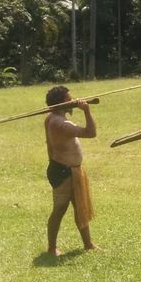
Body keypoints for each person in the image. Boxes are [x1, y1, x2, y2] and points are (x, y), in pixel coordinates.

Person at [44, 85, 98, 256]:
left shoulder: (51, 118)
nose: (73, 101)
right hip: (63, 171)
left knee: (79, 206)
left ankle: (88, 244)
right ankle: (52, 248)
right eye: (69, 99)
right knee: (59, 209)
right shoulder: (60, 123)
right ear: (60, 103)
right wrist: (87, 111)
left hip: (69, 169)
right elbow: (91, 133)